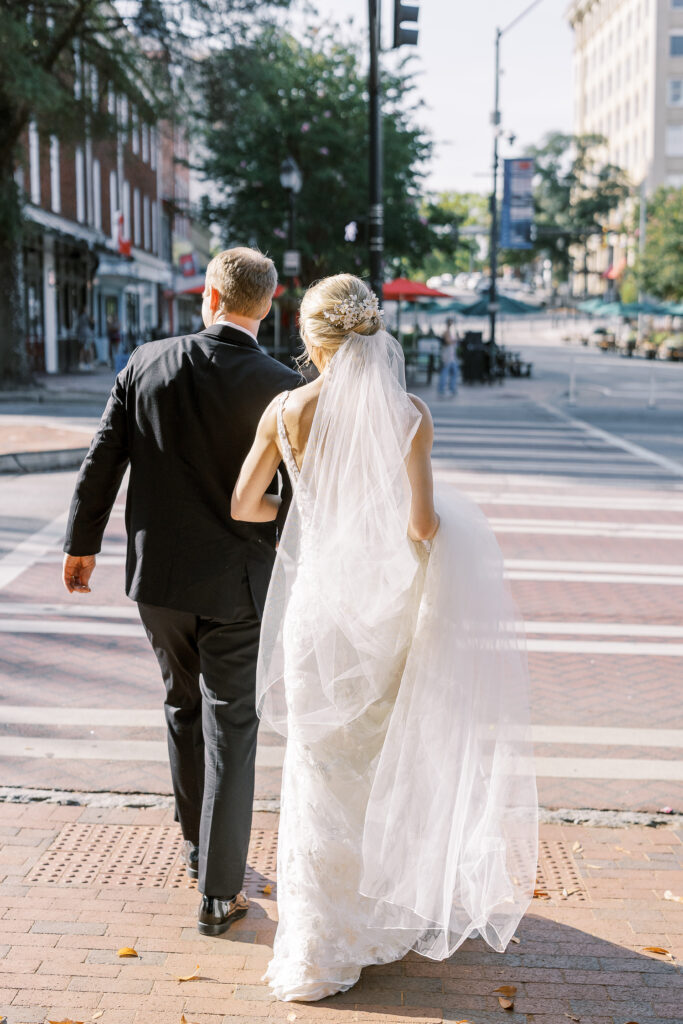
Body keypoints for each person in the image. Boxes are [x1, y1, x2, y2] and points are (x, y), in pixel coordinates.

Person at [232, 274, 538, 1002]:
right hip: (387, 609)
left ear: (310, 337)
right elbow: (422, 527)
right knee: (381, 764)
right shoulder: (409, 414)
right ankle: (377, 919)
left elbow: (246, 504)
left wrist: (307, 502)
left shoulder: (287, 410)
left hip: (318, 610)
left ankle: (317, 941)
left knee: (317, 766)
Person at [62, 247, 302, 937]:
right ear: (268, 305)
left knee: (179, 702)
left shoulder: (146, 363)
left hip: (158, 580)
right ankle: (219, 890)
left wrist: (83, 546)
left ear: (209, 296)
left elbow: (102, 457)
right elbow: (295, 495)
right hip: (238, 582)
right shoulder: (281, 385)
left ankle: (198, 845)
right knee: (234, 724)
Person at [438, 317, 459, 396]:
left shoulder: (450, 331)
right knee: (445, 372)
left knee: (453, 372)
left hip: (451, 355)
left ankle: (451, 388)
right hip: (447, 355)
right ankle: (443, 388)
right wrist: (455, 340)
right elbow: (448, 342)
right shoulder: (446, 332)